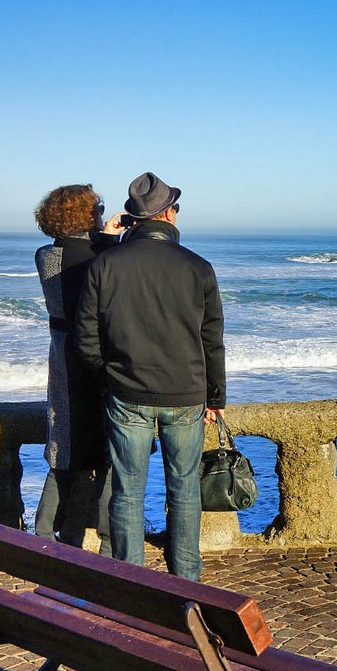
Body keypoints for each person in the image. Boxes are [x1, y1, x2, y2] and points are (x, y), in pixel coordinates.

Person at [75, 172, 226, 580]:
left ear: (135, 220)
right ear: (169, 215)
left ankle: (132, 584)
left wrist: (109, 379)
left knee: (128, 492)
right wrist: (215, 398)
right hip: (186, 394)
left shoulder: (106, 264)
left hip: (127, 394)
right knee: (184, 490)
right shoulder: (198, 267)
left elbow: (86, 337)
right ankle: (186, 582)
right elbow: (212, 340)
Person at [32, 184, 124, 552]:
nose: (101, 211)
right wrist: (112, 241)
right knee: (108, 446)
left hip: (61, 354)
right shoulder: (96, 255)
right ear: (84, 214)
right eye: (98, 207)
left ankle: (47, 533)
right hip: (94, 355)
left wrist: (104, 239)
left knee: (65, 447)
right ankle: (107, 540)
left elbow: (78, 258)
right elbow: (101, 273)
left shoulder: (45, 255)